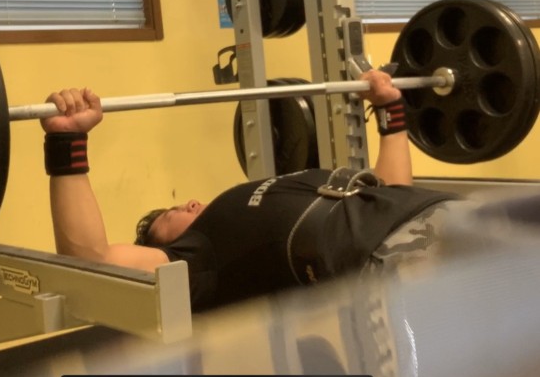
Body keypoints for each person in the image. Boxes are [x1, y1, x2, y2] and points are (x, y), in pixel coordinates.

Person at [40, 70, 459, 311]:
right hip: (389, 256)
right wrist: (66, 139)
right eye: (170, 215)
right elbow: (90, 258)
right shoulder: (197, 258)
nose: (187, 203)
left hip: (434, 213)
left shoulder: (250, 198)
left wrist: (390, 108)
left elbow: (390, 190)